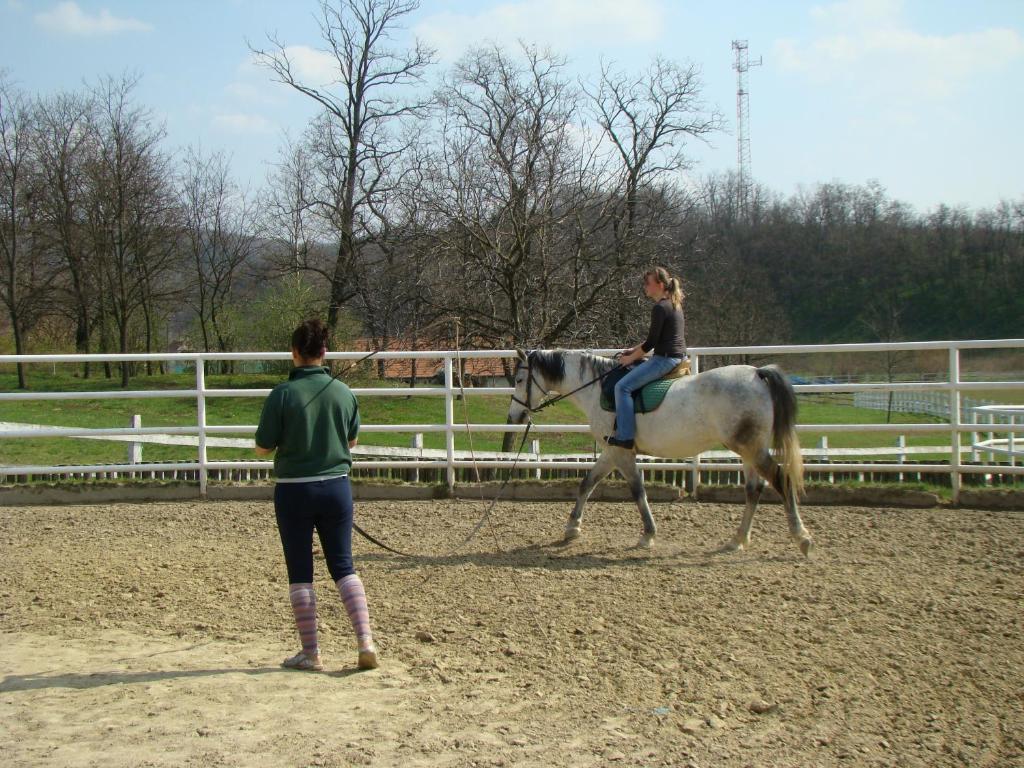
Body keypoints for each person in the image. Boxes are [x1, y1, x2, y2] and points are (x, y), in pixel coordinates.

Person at [254, 319, 377, 672]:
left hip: (294, 491)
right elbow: (351, 442)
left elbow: (263, 447)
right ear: (324, 352)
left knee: (301, 571)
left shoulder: (282, 394)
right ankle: (365, 641)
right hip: (337, 488)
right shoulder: (344, 392)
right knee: (344, 565)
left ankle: (311, 652)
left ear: (294, 353)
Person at [605, 267, 688, 450]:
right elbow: (656, 338)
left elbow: (650, 343)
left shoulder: (660, 307)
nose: (645, 287)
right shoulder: (674, 303)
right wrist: (633, 350)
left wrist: (629, 359)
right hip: (675, 357)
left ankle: (625, 436)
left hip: (664, 360)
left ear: (659, 285)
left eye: (648, 283)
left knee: (622, 387)